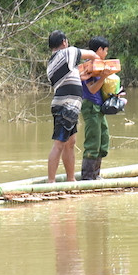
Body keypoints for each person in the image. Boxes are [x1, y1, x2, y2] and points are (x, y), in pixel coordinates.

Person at [46, 30, 98, 183]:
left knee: (70, 143)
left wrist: (85, 74)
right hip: (66, 106)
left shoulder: (53, 61)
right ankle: (51, 182)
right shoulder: (68, 52)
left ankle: (71, 179)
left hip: (68, 106)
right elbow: (91, 54)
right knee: (59, 144)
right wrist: (97, 62)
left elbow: (73, 76)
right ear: (64, 42)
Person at [79, 36, 119, 180]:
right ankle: (88, 177)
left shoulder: (101, 66)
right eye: (105, 50)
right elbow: (92, 90)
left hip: (99, 107)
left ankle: (96, 174)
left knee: (103, 141)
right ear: (100, 50)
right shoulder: (87, 68)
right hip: (90, 106)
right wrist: (103, 77)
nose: (106, 54)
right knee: (93, 142)